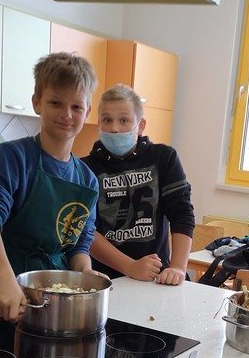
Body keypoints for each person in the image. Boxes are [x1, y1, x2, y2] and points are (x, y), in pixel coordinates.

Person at [0, 52, 101, 321]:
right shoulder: (12, 157)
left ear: (87, 111)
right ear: (37, 102)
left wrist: (85, 274)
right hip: (5, 288)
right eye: (55, 103)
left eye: (76, 107)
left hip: (57, 297)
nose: (66, 114)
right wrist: (4, 279)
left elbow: (79, 246)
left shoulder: (87, 179)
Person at [81, 84, 194, 284]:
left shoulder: (164, 158)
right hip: (107, 281)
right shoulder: (84, 168)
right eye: (107, 120)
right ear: (99, 123)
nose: (114, 128)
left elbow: (182, 214)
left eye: (124, 120)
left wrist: (177, 267)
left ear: (140, 125)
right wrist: (130, 267)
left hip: (157, 278)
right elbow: (85, 230)